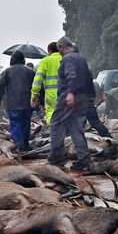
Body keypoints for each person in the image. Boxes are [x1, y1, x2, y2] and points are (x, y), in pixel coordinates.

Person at [48, 37, 95, 170]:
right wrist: (90, 97)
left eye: (59, 49)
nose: (59, 52)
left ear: (62, 47)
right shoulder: (82, 59)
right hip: (83, 97)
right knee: (76, 127)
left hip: (69, 96)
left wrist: (70, 93)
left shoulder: (68, 59)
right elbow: (89, 78)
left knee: (56, 124)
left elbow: (71, 75)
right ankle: (84, 159)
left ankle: (57, 156)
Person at [0, 51, 35, 152]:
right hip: (27, 103)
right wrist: (39, 100)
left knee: (15, 125)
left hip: (13, 103)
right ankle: (25, 146)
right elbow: (37, 86)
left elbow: (0, 87)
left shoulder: (7, 72)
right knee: (26, 125)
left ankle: (18, 145)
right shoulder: (30, 72)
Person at [31, 42, 62, 126]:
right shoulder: (67, 59)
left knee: (51, 113)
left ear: (49, 51)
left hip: (51, 95)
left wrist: (34, 95)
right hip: (67, 93)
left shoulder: (45, 61)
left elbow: (38, 80)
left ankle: (54, 130)